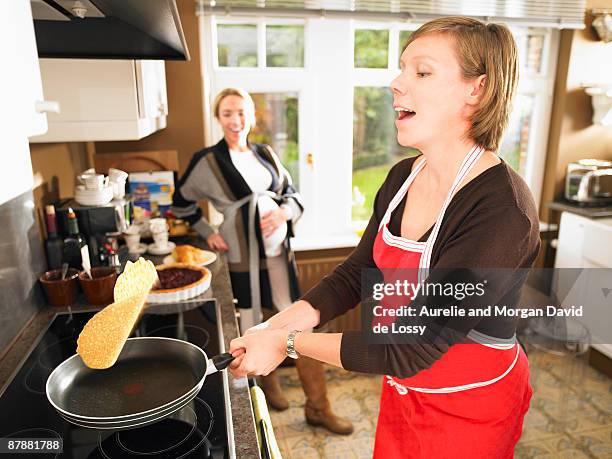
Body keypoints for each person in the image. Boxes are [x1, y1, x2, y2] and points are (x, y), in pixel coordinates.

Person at [228, 17, 541, 458]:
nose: (396, 83)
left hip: (471, 406)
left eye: (422, 72)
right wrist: (273, 325)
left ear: (477, 89)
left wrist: (287, 343)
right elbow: (359, 273)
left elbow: (415, 344)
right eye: (401, 69)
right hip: (406, 389)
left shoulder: (503, 210)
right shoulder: (402, 178)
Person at [171, 88, 353, 435]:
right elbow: (181, 203)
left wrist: (283, 212)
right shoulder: (206, 162)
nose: (235, 120)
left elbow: (293, 194)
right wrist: (208, 230)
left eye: (241, 113)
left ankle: (319, 407)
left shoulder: (266, 154)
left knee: (300, 326)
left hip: (277, 255)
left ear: (250, 116)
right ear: (218, 117)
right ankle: (269, 388)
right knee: (251, 325)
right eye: (227, 113)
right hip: (241, 258)